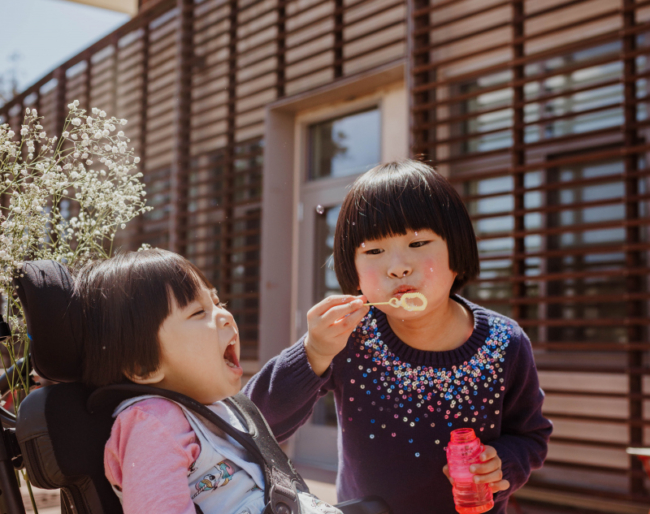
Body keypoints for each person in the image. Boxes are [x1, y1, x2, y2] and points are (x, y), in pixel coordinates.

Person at [244, 160, 553, 514]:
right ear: (353, 272)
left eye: (418, 242)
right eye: (374, 251)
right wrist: (313, 351)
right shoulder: (352, 337)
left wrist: (503, 464)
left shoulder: (504, 343)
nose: (398, 266)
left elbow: (531, 436)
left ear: (457, 252)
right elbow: (256, 424)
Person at [76, 249, 342, 514]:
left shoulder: (221, 408)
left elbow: (268, 415)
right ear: (145, 367)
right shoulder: (153, 423)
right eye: (198, 312)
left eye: (218, 303)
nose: (225, 316)